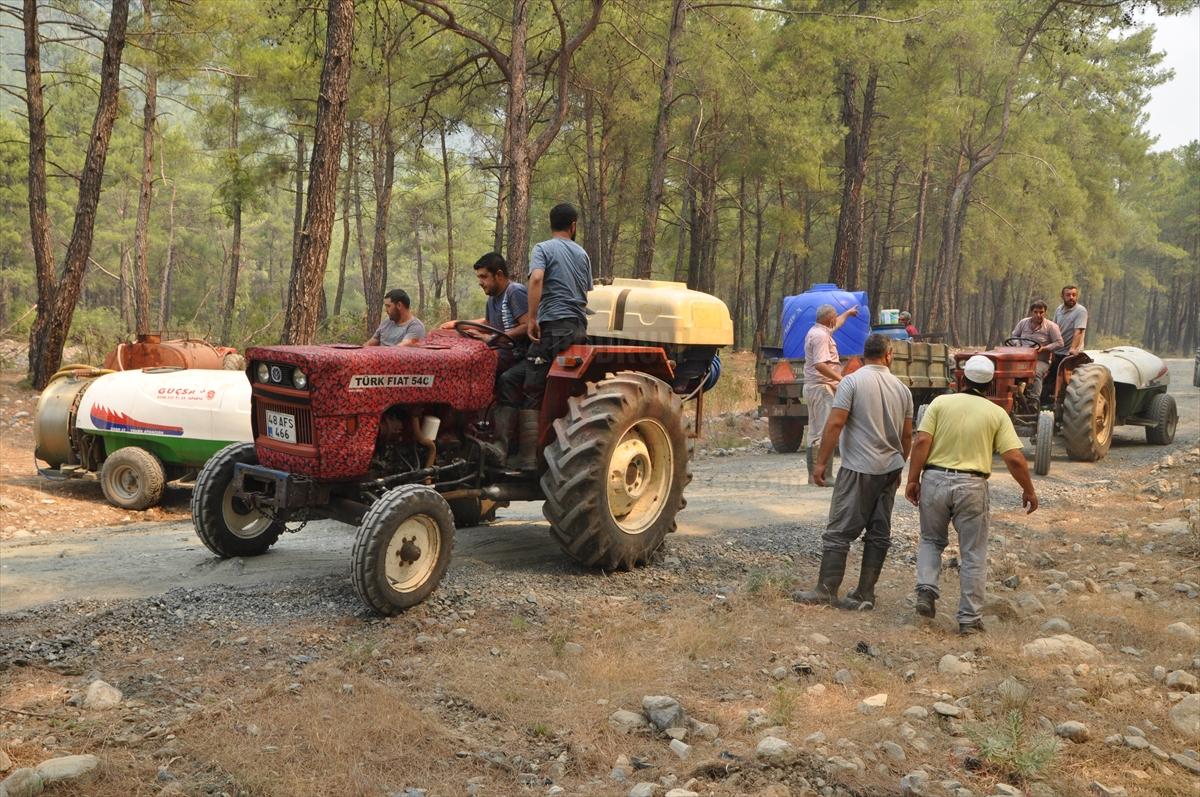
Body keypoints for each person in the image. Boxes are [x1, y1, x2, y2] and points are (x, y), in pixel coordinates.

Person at [905, 355, 1038, 635]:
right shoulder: (996, 413)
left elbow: (922, 442)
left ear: (961, 379)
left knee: (931, 539)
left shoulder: (940, 404)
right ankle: (968, 620)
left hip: (935, 480)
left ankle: (926, 591)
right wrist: (1028, 489)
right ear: (990, 385)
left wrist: (912, 479)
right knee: (973, 554)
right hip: (972, 485)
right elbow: (1014, 458)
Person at [793, 334, 913, 611]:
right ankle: (865, 593)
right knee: (878, 532)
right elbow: (907, 436)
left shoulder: (852, 382)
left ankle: (826, 590)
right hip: (889, 469)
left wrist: (821, 464)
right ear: (889, 354)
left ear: (862, 355)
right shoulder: (902, 389)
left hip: (858, 467)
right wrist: (899, 466)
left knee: (838, 531)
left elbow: (835, 424)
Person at [515, 202, 593, 470]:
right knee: (565, 387)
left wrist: (532, 318)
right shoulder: (582, 253)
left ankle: (528, 459)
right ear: (573, 226)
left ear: (552, 224)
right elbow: (585, 292)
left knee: (531, 383)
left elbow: (536, 279)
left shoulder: (543, 248)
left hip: (554, 326)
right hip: (577, 328)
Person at [440, 253, 531, 466]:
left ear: (499, 275)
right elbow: (489, 324)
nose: (480, 282)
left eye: (483, 277)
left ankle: (500, 447)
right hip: (499, 352)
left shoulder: (514, 292)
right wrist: (463, 326)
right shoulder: (492, 299)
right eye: (479, 277)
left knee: (502, 378)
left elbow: (527, 325)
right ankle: (462, 435)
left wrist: (492, 337)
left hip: (519, 356)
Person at [802, 303, 860, 485]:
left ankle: (814, 476)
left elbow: (837, 324)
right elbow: (820, 364)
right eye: (835, 316)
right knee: (823, 431)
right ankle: (823, 476)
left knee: (815, 432)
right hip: (821, 388)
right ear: (829, 319)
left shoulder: (820, 330)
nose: (836, 319)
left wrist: (848, 314)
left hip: (815, 387)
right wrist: (841, 379)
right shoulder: (820, 336)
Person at [1010, 299, 1063, 405]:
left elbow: (1060, 343)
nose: (1038, 315)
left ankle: (1034, 401)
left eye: (1041, 312)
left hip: (1041, 360)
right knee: (1008, 371)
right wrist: (1017, 343)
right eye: (1035, 312)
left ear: (1045, 312)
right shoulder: (1023, 323)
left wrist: (1044, 348)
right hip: (1021, 359)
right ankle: (1012, 397)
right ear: (1031, 312)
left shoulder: (1051, 326)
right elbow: (1014, 336)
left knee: (1036, 372)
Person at [1045, 285, 1087, 400]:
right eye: (1068, 295)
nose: (1071, 297)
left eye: (1074, 295)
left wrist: (1072, 349)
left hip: (1070, 354)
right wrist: (1051, 350)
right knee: (1048, 378)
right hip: (1058, 350)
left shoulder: (1081, 311)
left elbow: (1078, 331)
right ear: (1062, 296)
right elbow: (1053, 328)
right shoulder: (1059, 310)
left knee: (1066, 382)